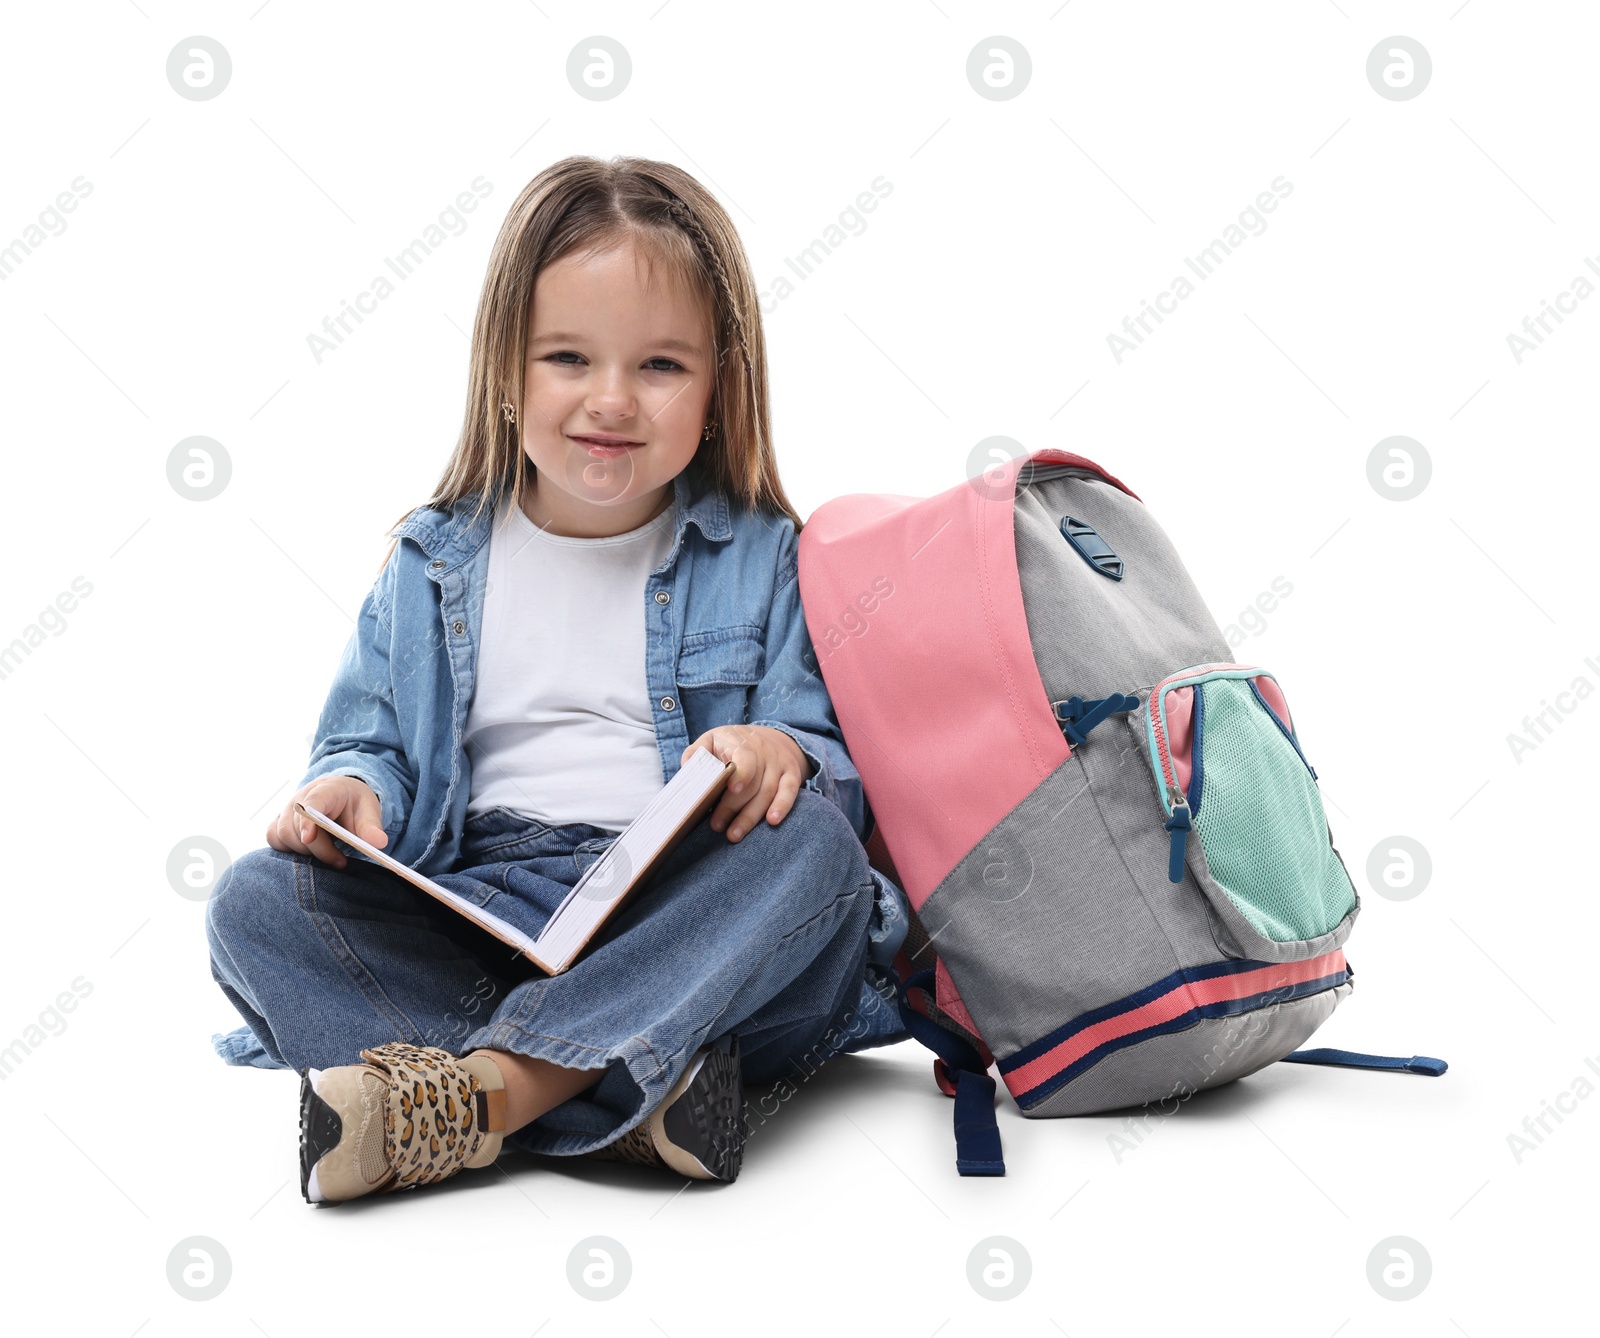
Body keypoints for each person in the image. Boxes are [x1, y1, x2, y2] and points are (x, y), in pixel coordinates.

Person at [205, 156, 909, 1206]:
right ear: (505, 372)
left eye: (662, 366)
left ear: (720, 391)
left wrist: (779, 754)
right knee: (255, 904)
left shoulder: (765, 557)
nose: (612, 401)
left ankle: (482, 1096)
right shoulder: (433, 561)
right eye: (568, 358)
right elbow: (371, 747)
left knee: (810, 852)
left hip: (682, 903)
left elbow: (832, 772)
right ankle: (622, 1098)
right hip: (484, 903)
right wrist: (352, 791)